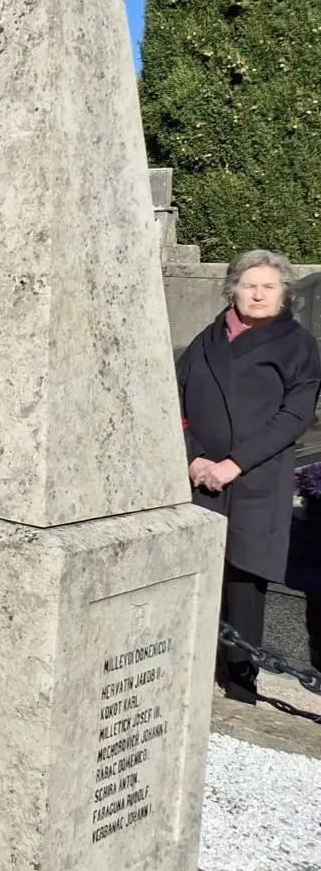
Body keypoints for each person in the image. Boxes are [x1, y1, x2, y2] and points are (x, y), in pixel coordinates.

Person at [177, 249, 321, 705]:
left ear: (283, 295)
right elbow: (174, 398)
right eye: (248, 285)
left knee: (243, 579)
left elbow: (294, 415)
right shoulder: (207, 339)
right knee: (193, 575)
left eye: (268, 287)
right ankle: (186, 674)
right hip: (197, 478)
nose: (257, 294)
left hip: (255, 479)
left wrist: (232, 464)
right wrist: (195, 457)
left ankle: (240, 686)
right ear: (233, 289)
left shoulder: (298, 345)